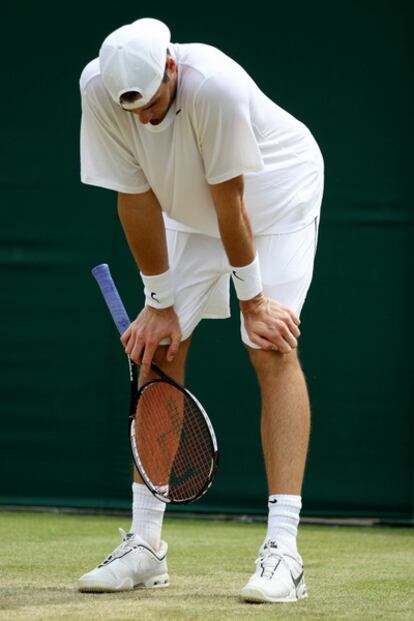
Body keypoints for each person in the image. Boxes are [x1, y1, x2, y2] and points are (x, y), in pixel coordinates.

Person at [77, 17, 323, 603]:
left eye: (151, 103)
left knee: (270, 344)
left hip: (275, 200)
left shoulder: (214, 83)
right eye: (129, 108)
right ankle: (144, 545)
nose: (142, 117)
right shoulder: (101, 89)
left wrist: (255, 300)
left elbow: (230, 200)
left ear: (169, 68)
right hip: (188, 209)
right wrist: (158, 304)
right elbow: (133, 197)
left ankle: (284, 552)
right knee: (159, 346)